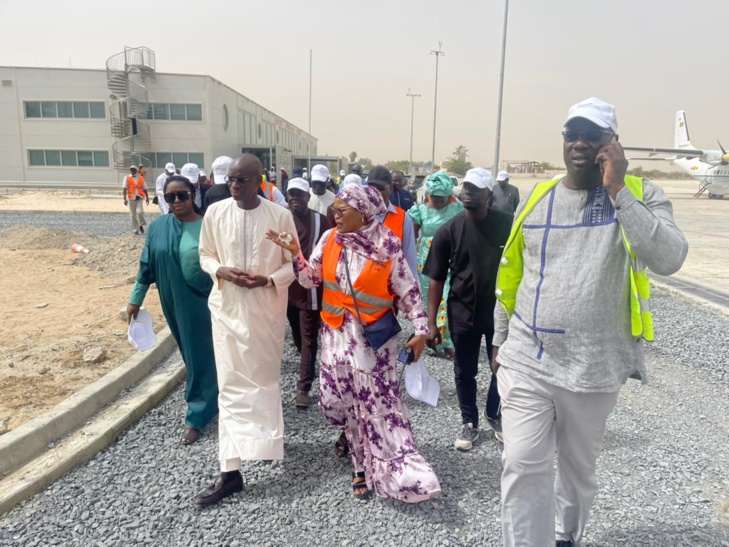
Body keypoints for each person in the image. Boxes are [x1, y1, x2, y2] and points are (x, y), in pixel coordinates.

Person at [493, 98, 688, 546]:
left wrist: (618, 190)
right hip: (528, 358)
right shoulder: (539, 197)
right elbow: (514, 271)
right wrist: (500, 338)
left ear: (612, 144)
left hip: (594, 367)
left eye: (593, 135)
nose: (580, 143)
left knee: (578, 473)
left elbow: (669, 257)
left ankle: (566, 536)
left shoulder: (641, 193)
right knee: (522, 464)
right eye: (572, 135)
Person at [267, 184, 441, 503]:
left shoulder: (388, 247)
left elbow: (410, 295)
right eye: (333, 208)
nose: (334, 214)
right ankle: (350, 437)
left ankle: (363, 467)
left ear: (363, 213)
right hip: (335, 339)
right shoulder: (330, 239)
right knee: (336, 400)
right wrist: (294, 253)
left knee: (372, 406)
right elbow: (309, 279)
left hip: (373, 345)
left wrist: (421, 331)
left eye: (341, 209)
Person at [194, 154, 297, 507]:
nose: (234, 186)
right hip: (226, 310)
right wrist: (220, 270)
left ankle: (264, 444)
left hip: (265, 312)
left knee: (264, 383)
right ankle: (230, 471)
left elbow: (293, 265)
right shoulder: (215, 213)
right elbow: (205, 254)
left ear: (259, 181)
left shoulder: (280, 216)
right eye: (231, 181)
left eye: (241, 180)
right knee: (229, 388)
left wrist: (268, 279)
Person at [422, 168, 512, 452]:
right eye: (466, 187)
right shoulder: (449, 230)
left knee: (502, 367)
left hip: (501, 315)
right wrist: (432, 322)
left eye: (476, 188)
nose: (468, 192)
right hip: (462, 312)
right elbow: (435, 279)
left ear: (489, 195)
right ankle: (469, 421)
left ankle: (493, 414)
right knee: (464, 370)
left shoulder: (508, 225)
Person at [127, 175, 218, 445]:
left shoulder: (207, 226)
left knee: (200, 354)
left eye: (182, 195)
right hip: (172, 300)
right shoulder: (158, 228)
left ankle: (197, 415)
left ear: (194, 196)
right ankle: (213, 397)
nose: (177, 201)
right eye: (170, 197)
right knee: (193, 355)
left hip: (202, 301)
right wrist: (136, 298)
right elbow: (147, 265)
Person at [284, 177, 331, 409]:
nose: (295, 198)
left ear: (307, 196)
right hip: (284, 286)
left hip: (309, 287)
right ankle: (309, 365)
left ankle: (303, 386)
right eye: (291, 194)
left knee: (309, 336)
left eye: (300, 194)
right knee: (297, 334)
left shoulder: (320, 221)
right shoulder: (281, 218)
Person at [407, 171, 464, 358]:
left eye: (443, 198)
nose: (439, 201)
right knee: (429, 302)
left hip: (452, 259)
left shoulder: (458, 210)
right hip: (427, 262)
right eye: (436, 198)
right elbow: (411, 239)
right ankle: (431, 340)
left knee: (447, 299)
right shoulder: (419, 211)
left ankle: (447, 342)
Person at [365, 165, 418, 277]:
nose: (375, 192)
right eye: (371, 187)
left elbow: (410, 259)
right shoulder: (356, 213)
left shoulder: (403, 218)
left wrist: (414, 288)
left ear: (391, 189)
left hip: (391, 288)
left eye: (380, 188)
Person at [122, 165, 149, 234]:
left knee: (140, 212)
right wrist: (124, 198)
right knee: (133, 214)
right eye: (131, 170)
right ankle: (135, 229)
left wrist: (147, 198)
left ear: (136, 171)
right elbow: (124, 188)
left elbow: (145, 188)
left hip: (139, 197)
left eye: (134, 170)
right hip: (131, 198)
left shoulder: (141, 178)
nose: (132, 171)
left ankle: (140, 224)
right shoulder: (127, 178)